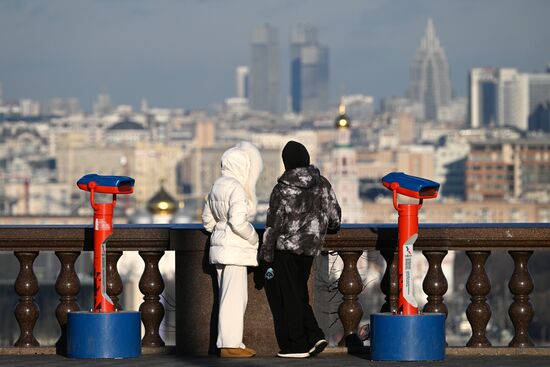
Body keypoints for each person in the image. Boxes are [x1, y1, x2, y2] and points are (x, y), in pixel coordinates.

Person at [259, 140, 341, 358]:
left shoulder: (283, 188)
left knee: (291, 297)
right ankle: (313, 336)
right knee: (299, 294)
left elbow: (273, 225)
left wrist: (266, 256)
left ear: (286, 162)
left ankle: (298, 345)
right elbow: (335, 218)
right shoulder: (322, 184)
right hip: (310, 248)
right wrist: (321, 229)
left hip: (285, 249)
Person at [202, 141, 263, 358]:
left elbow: (207, 221)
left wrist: (219, 230)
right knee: (235, 299)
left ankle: (231, 342)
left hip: (219, 248)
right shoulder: (236, 188)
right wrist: (254, 237)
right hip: (235, 250)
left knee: (226, 297)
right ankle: (230, 345)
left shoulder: (217, 185)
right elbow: (238, 223)